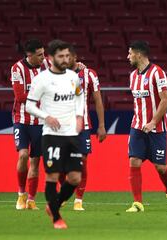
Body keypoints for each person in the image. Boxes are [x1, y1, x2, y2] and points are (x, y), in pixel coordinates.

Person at [26, 40, 84, 229]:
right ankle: (57, 218)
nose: (65, 59)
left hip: (71, 134)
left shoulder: (73, 77)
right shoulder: (41, 79)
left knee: (75, 178)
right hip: (51, 135)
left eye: (68, 55)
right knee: (52, 176)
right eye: (61, 56)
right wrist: (46, 116)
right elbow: (29, 105)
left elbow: (79, 96)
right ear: (50, 58)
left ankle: (54, 205)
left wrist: (79, 116)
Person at [126, 40, 167, 212]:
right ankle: (137, 203)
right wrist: (142, 122)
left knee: (161, 167)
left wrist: (153, 121)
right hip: (138, 126)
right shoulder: (133, 76)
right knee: (134, 161)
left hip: (158, 128)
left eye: (130, 53)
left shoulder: (158, 73)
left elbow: (165, 100)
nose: (128, 56)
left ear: (138, 54)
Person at [10, 39, 50, 210]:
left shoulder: (47, 65)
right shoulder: (17, 69)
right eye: (39, 55)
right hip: (22, 120)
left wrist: (78, 65)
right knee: (23, 155)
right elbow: (19, 96)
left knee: (35, 161)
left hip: (40, 122)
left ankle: (31, 199)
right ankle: (21, 195)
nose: (43, 57)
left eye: (43, 54)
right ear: (29, 55)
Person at [67, 46, 107, 210]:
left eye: (68, 56)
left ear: (75, 57)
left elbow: (97, 100)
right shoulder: (56, 74)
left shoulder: (89, 74)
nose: (64, 60)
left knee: (82, 161)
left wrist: (102, 125)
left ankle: (78, 200)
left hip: (83, 126)